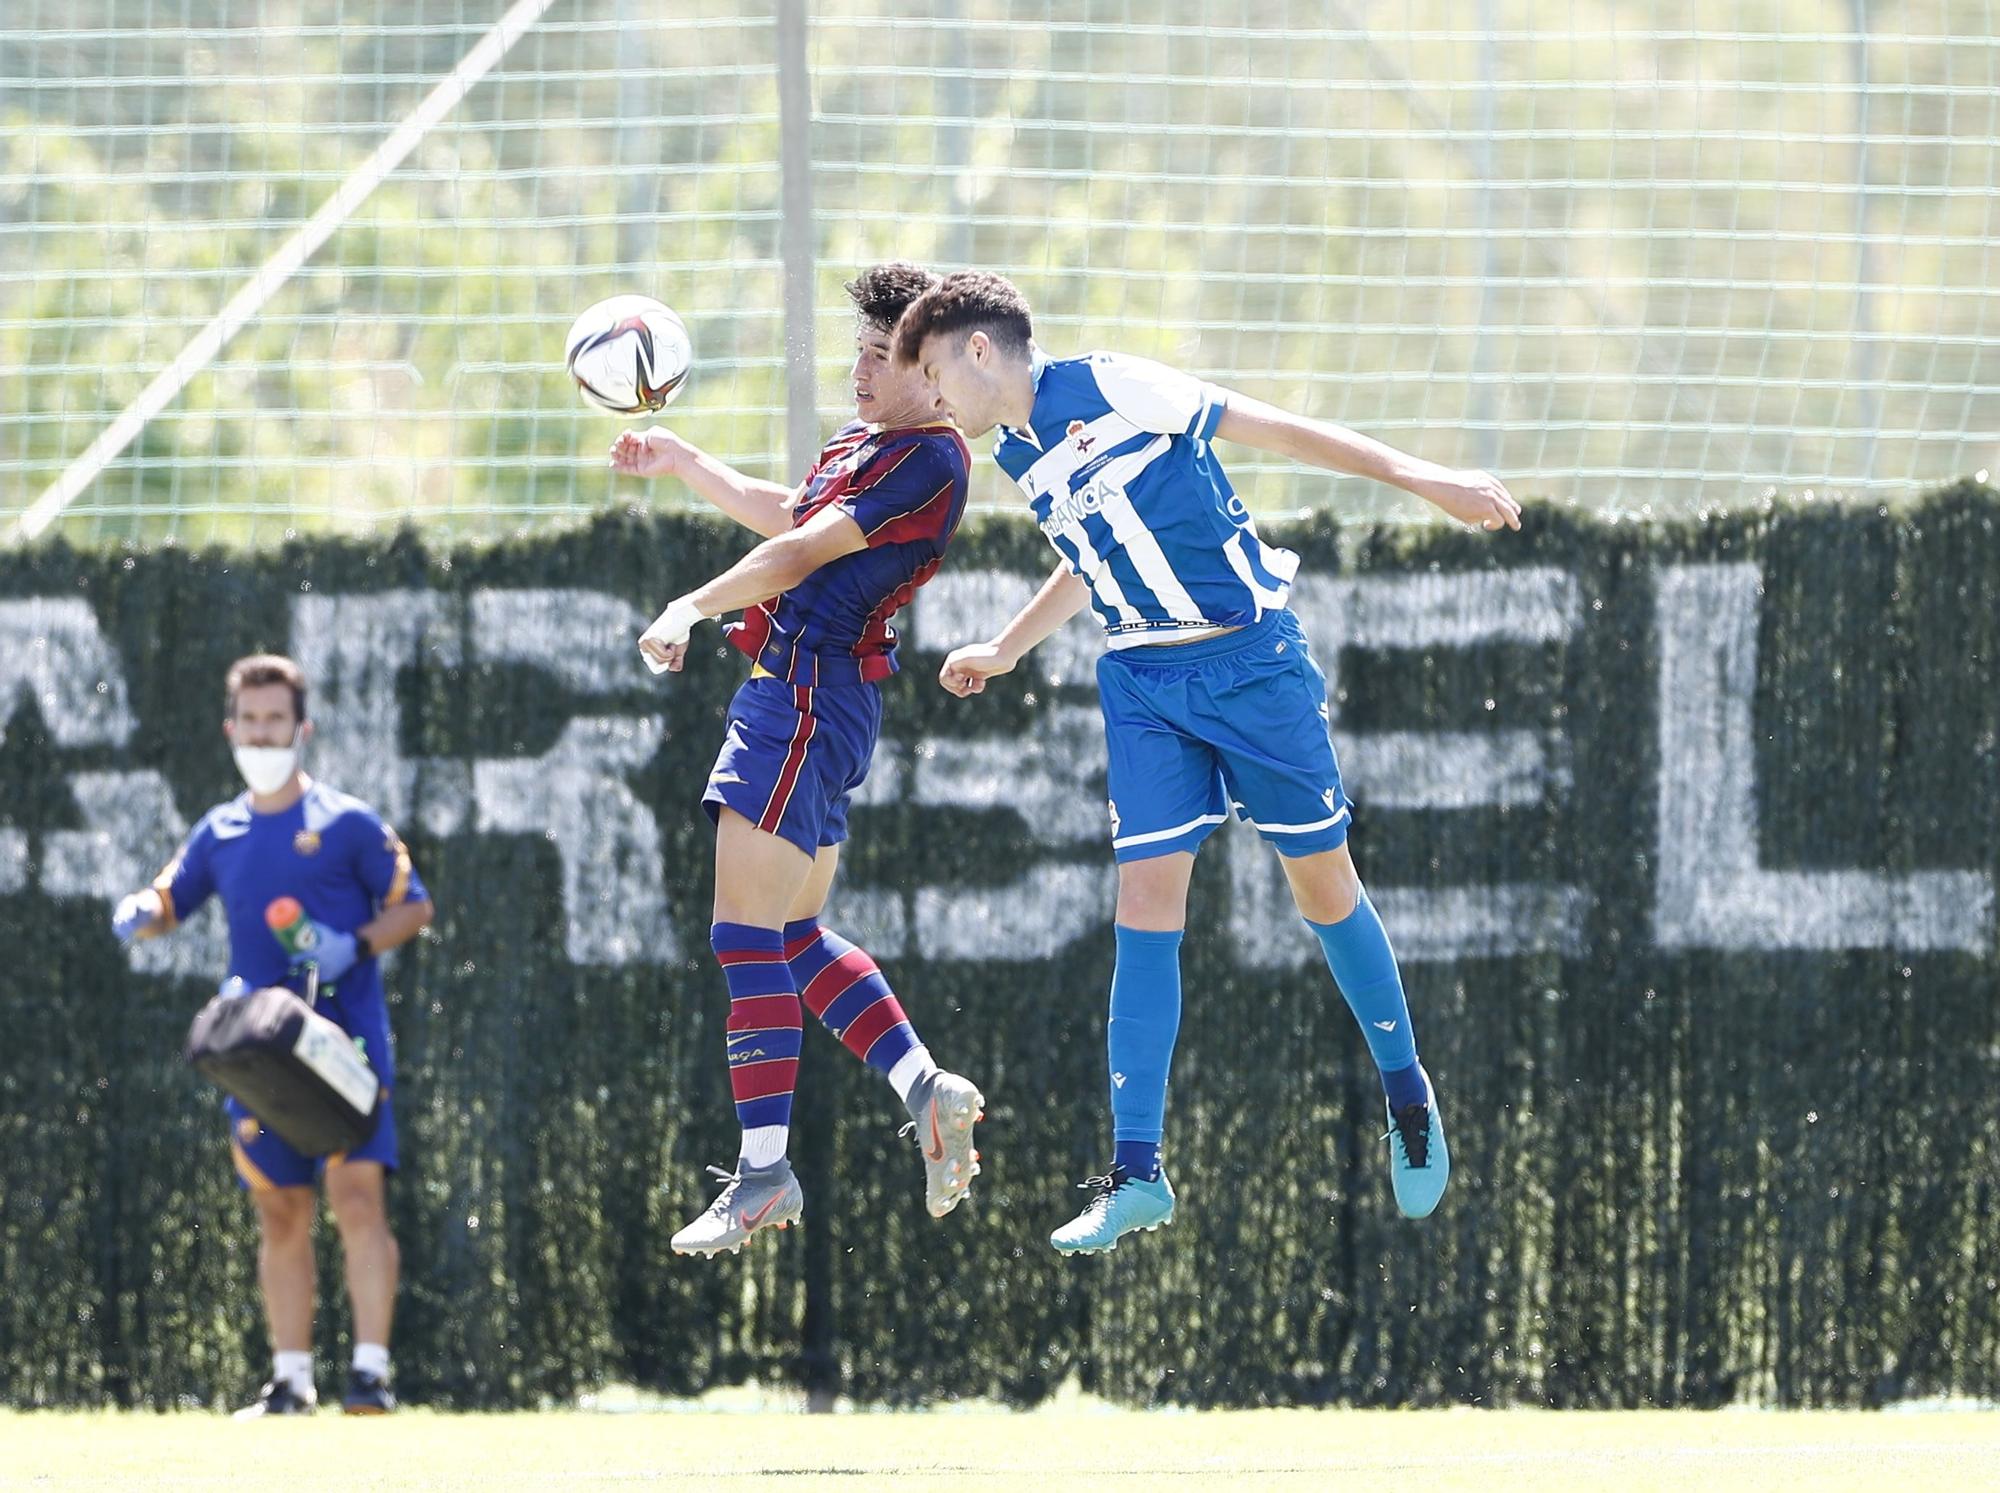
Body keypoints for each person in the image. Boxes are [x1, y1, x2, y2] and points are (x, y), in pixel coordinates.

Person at [893, 270, 1522, 1255]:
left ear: (980, 349)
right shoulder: (1015, 450)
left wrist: (1426, 480)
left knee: (1322, 890)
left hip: (1248, 663)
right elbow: (1090, 552)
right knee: (1143, 907)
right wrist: (1007, 645)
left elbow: (1280, 430)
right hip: (1141, 681)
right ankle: (1136, 1170)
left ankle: (1406, 1093)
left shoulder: (1112, 386)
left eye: (933, 370)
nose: (932, 397)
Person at [612, 262, 982, 1257]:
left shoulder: (931, 461)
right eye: (857, 349)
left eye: (883, 356)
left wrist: (691, 603)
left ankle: (764, 1175)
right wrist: (686, 460)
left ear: (936, 372)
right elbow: (791, 515)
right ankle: (923, 1086)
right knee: (793, 938)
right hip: (808, 697)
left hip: (807, 695)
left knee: (744, 939)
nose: (860, 370)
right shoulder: (865, 441)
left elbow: (800, 554)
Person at [113, 654, 435, 1414]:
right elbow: (170, 897)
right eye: (251, 721)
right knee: (279, 1205)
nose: (263, 733)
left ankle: (371, 1374)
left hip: (345, 1040)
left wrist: (351, 944)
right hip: (256, 1054)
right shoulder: (218, 829)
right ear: (232, 729)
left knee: (357, 1196)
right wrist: (138, 911)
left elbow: (412, 905)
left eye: (275, 721)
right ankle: (290, 1381)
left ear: (301, 728)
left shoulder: (348, 821)